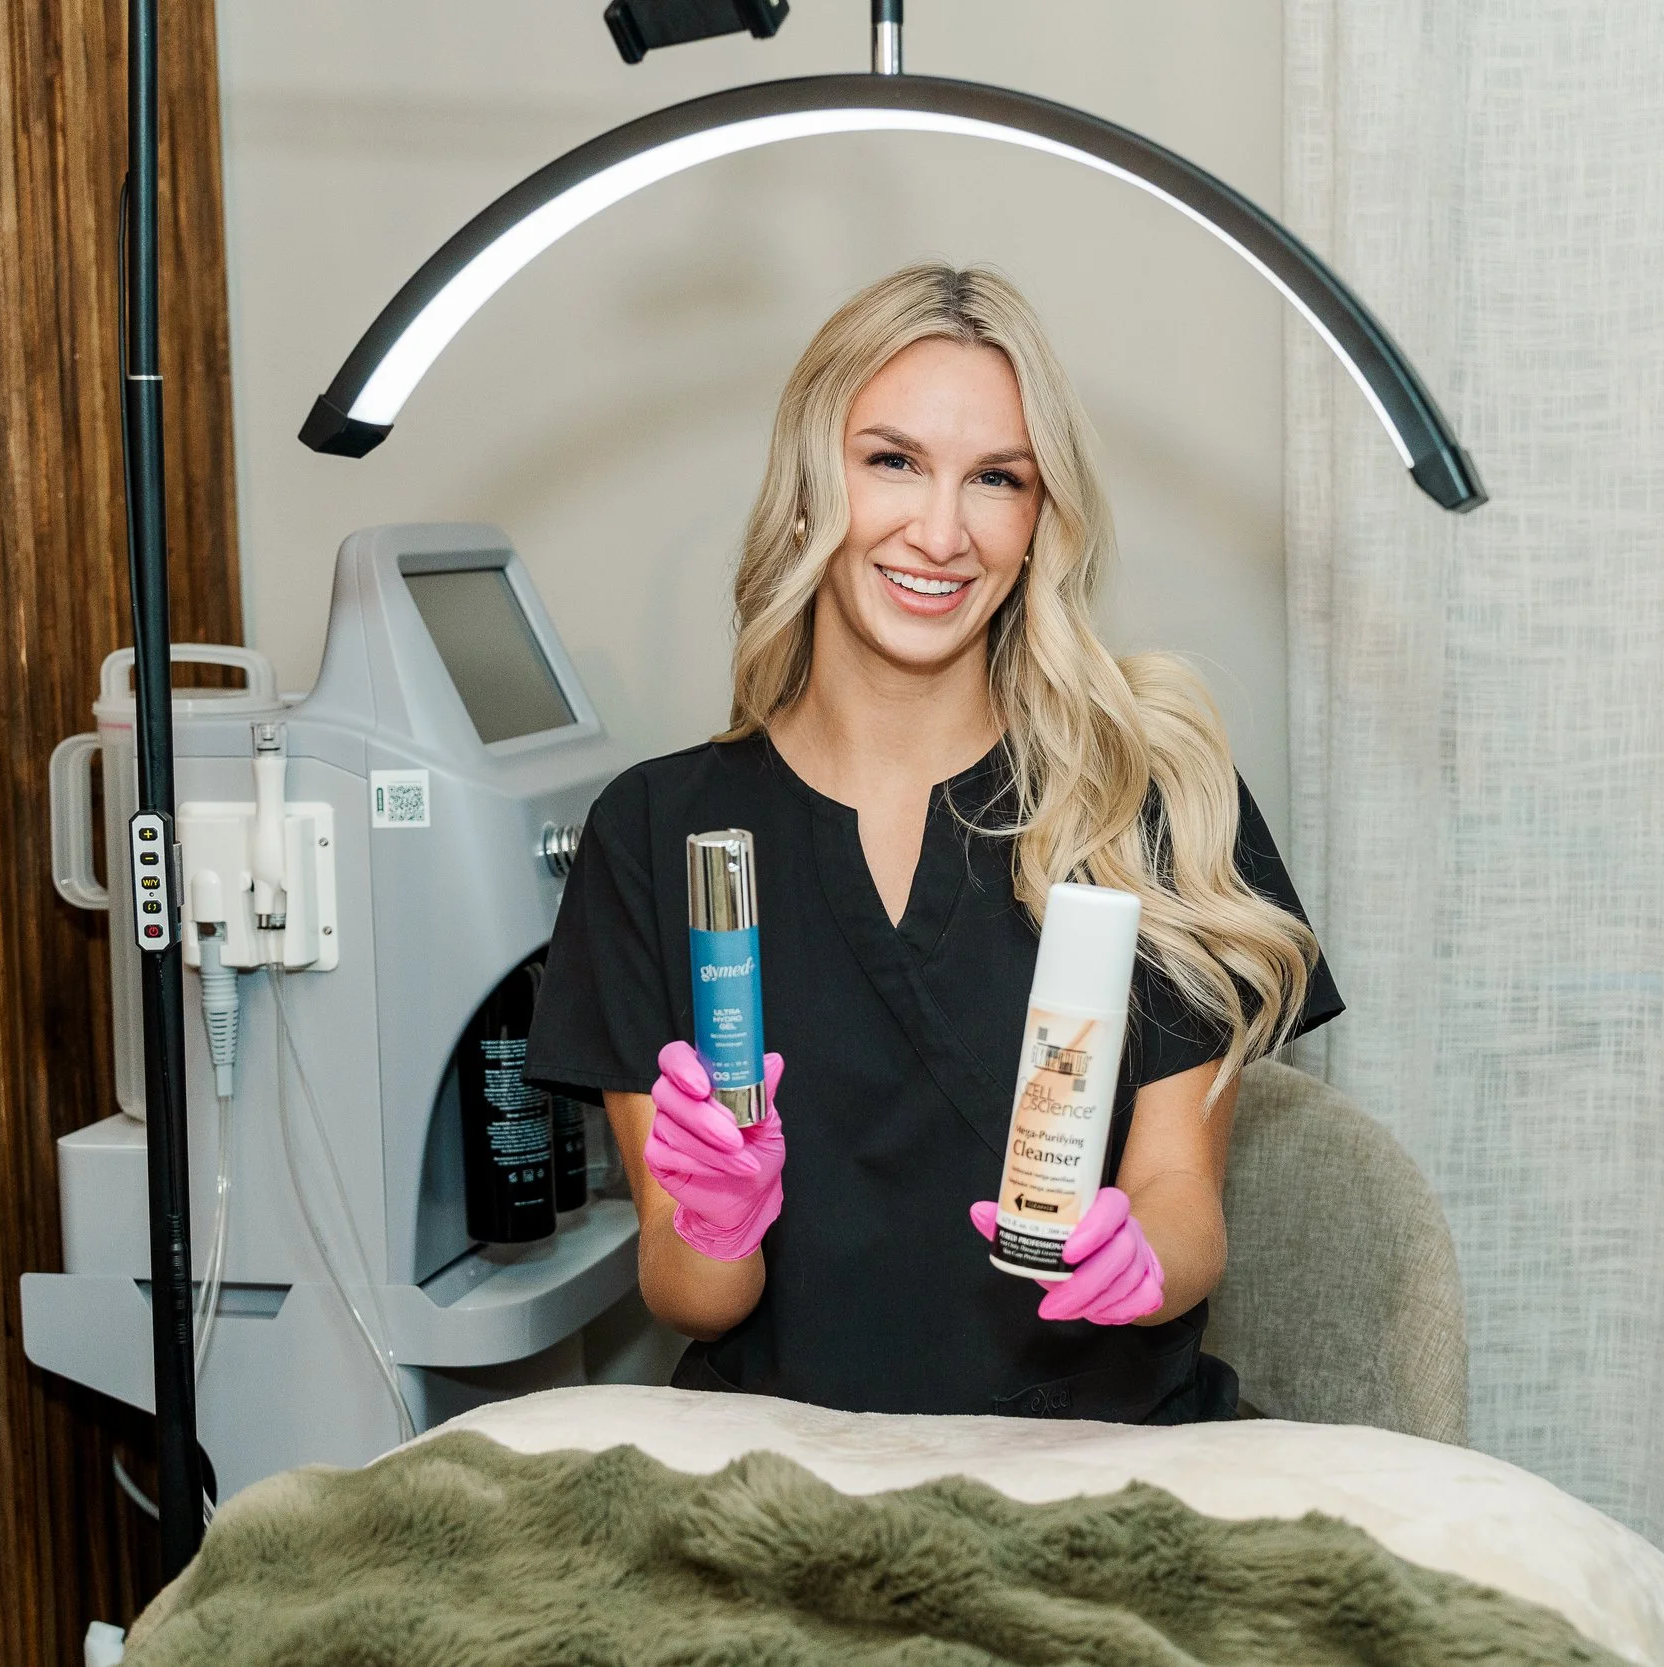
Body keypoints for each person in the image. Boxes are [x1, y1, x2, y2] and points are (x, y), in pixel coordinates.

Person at [527, 263, 1343, 1422]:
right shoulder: (659, 834)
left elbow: (1180, 1192)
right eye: (893, 460)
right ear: (812, 483)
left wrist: (1144, 1257)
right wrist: (712, 1218)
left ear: (1037, 521)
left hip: (1096, 1460)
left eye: (996, 479)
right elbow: (689, 1294)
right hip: (782, 1472)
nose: (942, 530)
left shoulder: (1147, 801)